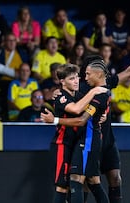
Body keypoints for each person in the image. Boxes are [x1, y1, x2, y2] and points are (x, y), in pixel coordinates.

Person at [42, 34, 130, 203]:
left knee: (111, 178)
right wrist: (59, 93)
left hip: (104, 137)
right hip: (88, 136)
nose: (82, 77)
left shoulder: (104, 84)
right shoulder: (82, 87)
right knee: (87, 180)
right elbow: (75, 108)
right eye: (84, 73)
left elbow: (129, 72)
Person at [47, 63, 108, 203]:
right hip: (62, 144)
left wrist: (100, 116)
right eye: (71, 79)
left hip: (76, 143)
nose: (76, 81)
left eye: (77, 78)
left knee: (84, 181)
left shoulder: (79, 95)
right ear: (62, 81)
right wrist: (94, 91)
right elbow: (75, 110)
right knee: (62, 186)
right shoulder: (60, 96)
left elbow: (91, 110)